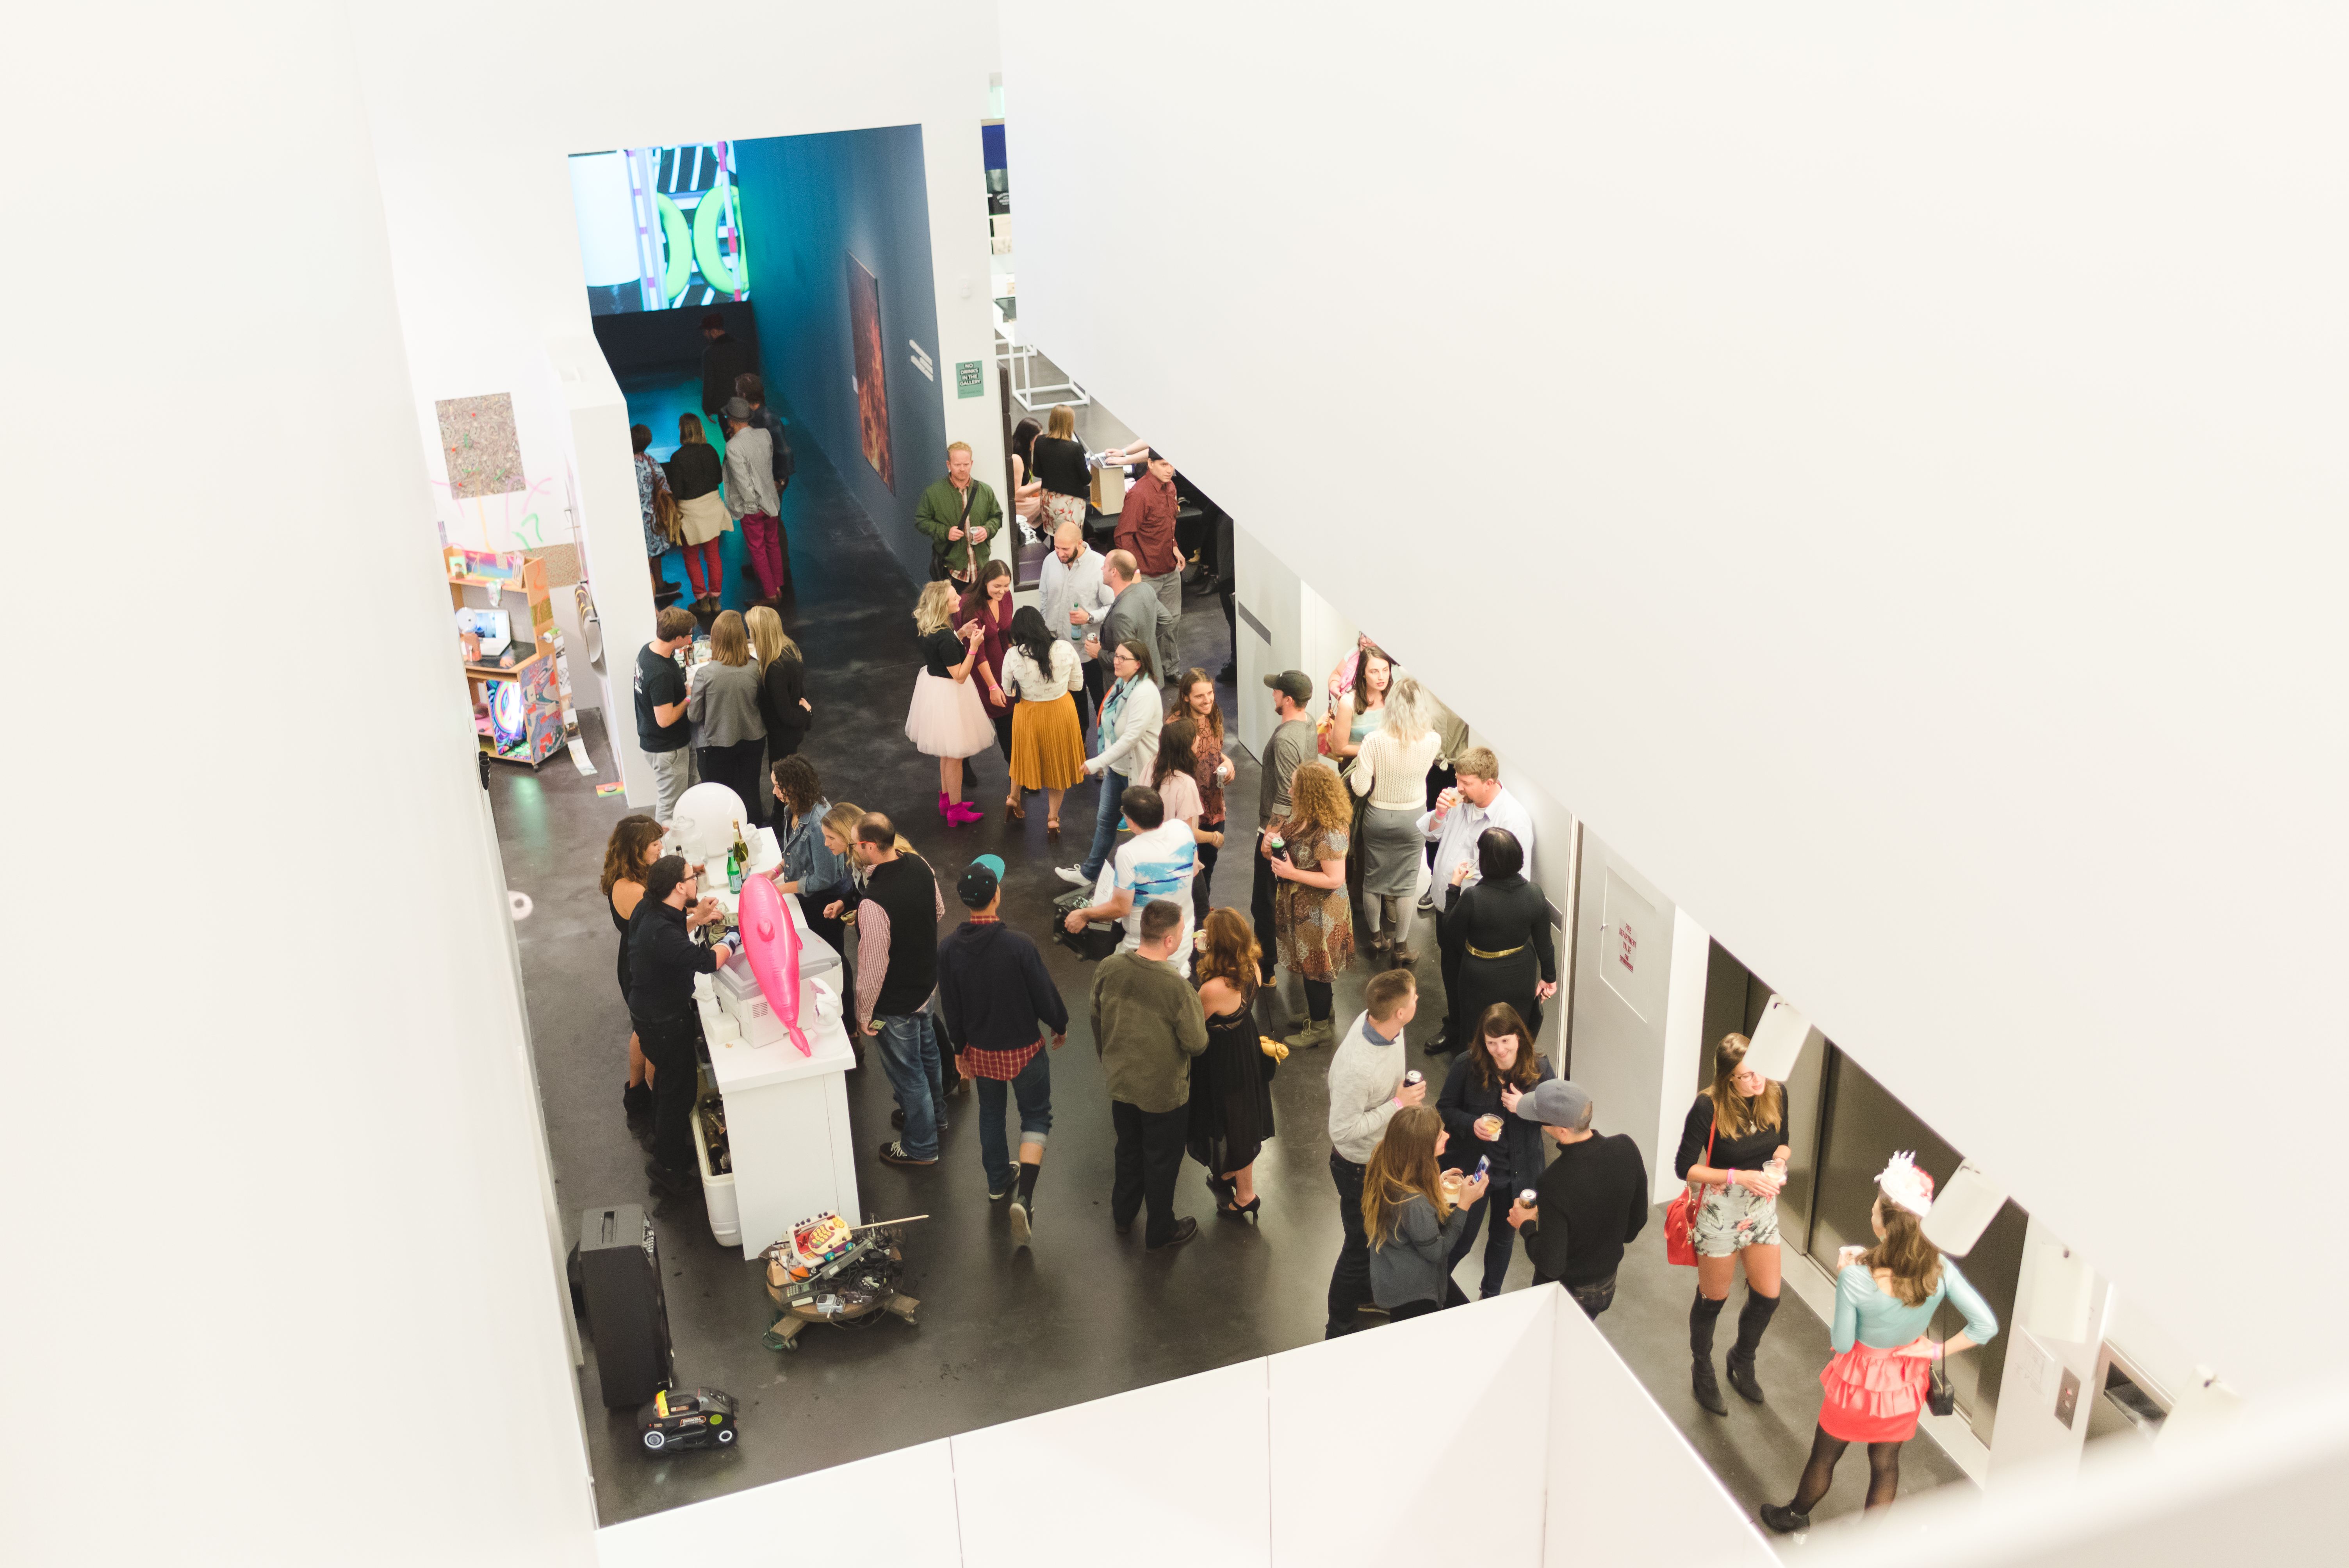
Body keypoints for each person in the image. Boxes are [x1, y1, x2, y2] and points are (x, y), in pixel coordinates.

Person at [1760, 1156, 2000, 1533]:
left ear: (1886, 1227)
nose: (1872, 1210)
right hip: (1904, 1383)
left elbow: (1842, 1342)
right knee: (1886, 1464)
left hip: (1855, 1384)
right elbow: (1985, 1326)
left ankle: (1794, 1516)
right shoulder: (1941, 1269)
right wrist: (1934, 1350)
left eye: (1876, 1207)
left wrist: (1845, 1277)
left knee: (1825, 1457)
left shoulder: (1856, 1278)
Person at [936, 855, 1068, 1244]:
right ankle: (1024, 1197)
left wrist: (960, 1050)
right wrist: (1058, 1022)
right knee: (1035, 1117)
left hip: (981, 1051)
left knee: (991, 1114)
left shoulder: (948, 949)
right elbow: (1043, 994)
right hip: (1024, 1050)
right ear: (997, 896)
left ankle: (998, 1181)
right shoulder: (1019, 945)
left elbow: (952, 1006)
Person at [1676, 1032, 1795, 1416]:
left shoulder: (1775, 1091)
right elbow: (1685, 1167)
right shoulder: (1707, 1106)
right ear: (1728, 1078)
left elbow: (1784, 1141)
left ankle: (1741, 1359)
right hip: (1721, 1210)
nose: (1756, 1081)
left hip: (1761, 1208)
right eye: (1745, 1076)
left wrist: (1779, 1162)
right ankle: (1703, 1368)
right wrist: (1738, 1176)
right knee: (1714, 1298)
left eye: (1758, 1072)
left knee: (1768, 1296)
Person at [826, 814, 947, 1168]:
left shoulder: (874, 902)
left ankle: (921, 1146)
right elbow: (938, 910)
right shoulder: (921, 866)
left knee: (908, 1076)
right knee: (929, 1059)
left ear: (868, 847)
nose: (851, 851)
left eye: (853, 845)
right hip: (926, 985)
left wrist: (863, 1015)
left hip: (896, 1005)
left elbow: (873, 968)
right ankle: (936, 1118)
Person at [1090, 900, 1210, 1251]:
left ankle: (1123, 1215)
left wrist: (1109, 1059)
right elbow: (1197, 1043)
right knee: (1161, 1160)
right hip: (1164, 1095)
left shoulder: (1109, 968)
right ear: (1171, 941)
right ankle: (1160, 1230)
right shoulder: (1177, 988)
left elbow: (1096, 1019)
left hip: (1121, 1083)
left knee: (1127, 1149)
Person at [626, 855, 733, 1197]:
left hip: (650, 1014)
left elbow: (669, 939)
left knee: (671, 1088)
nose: (696, 880)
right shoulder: (661, 929)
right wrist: (733, 939)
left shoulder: (650, 908)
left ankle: (666, 1148)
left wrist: (696, 917)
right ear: (679, 887)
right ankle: (667, 1169)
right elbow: (708, 962)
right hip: (664, 1021)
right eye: (692, 876)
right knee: (679, 1091)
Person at [1434, 1002, 1558, 1299]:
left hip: (1519, 1172)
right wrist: (1471, 1123)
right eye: (1492, 1043)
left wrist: (1525, 1106)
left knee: (1503, 1239)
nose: (1500, 1050)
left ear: (1519, 1037)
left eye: (1505, 1041)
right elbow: (1445, 1108)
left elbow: (1557, 1114)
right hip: (1476, 1171)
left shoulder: (1540, 1068)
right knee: (1461, 1238)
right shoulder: (1467, 1066)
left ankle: (1490, 1296)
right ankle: (1430, 1288)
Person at [1420, 749, 1538, 1053]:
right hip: (1448, 908)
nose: (1458, 787)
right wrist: (1440, 813)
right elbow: (1431, 836)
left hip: (1479, 917)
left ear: (1490, 782)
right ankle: (1455, 1028)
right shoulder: (1461, 801)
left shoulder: (1513, 819)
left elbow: (1512, 878)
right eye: (1458, 780)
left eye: (1466, 782)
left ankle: (1475, 1045)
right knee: (1450, 971)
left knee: (1472, 986)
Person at [1324, 969, 1421, 1336]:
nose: (1417, 1002)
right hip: (1357, 1168)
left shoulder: (1389, 1027)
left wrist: (1400, 1096)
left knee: (1373, 1240)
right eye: (1413, 999)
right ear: (1399, 1012)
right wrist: (1399, 1103)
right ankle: (1339, 1325)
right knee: (1358, 1247)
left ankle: (1366, 1295)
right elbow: (1343, 1130)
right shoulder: (1357, 1067)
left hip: (1380, 1155)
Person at [1504, 1079, 1651, 1319]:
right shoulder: (1626, 1147)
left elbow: (1552, 1266)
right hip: (1607, 1283)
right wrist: (1604, 1246)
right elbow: (1638, 1221)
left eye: (1541, 1119)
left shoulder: (1554, 1182)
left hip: (1569, 1291)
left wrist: (1526, 1225)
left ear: (1562, 1130)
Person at [1188, 908, 1275, 1219]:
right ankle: (1229, 1176)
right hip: (1245, 1044)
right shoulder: (1252, 965)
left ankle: (1246, 1195)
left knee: (1235, 1121)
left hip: (1222, 1057)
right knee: (1241, 1114)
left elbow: (1194, 1027)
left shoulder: (1212, 989)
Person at [1058, 638, 1163, 889]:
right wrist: (1106, 764)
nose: (1116, 661)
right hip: (1117, 769)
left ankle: (1148, 881)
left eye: (1122, 658)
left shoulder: (1145, 693)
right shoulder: (1121, 685)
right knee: (1105, 822)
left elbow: (1130, 738)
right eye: (1116, 656)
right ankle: (1089, 874)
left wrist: (1097, 762)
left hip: (1139, 774)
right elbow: (1109, 725)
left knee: (1145, 830)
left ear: (1138, 664)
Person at [1351, 674, 1441, 964]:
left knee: (1372, 881)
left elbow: (1361, 787)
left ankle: (1377, 938)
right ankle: (1401, 948)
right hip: (1413, 818)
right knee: (1406, 885)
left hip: (1378, 817)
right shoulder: (1432, 740)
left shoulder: (1373, 741)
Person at [1436, 827, 1557, 1043]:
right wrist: (1550, 978)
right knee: (1513, 1034)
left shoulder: (1474, 897)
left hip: (1479, 976)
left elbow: (1450, 929)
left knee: (1478, 1036)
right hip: (1521, 975)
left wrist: (1454, 887)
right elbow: (1544, 944)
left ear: (1486, 861)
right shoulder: (1535, 893)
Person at [1365, 1104, 1485, 1320]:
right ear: (1422, 1149)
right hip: (1412, 1294)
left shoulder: (1385, 1162)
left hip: (1392, 1276)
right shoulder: (1414, 1203)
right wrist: (1465, 1205)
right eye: (1440, 1136)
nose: (1447, 1135)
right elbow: (1437, 1252)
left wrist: (1434, 1184)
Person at [1063, 782, 1197, 969]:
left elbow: (1121, 908)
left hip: (1144, 949)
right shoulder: (1182, 829)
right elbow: (1195, 869)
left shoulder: (1128, 853)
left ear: (1130, 821)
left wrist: (1084, 914)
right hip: (1182, 943)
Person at [1269, 759, 1353, 1052]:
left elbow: (1334, 879)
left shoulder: (1330, 830)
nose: (1290, 790)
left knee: (1316, 968)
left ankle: (1319, 1029)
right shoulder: (1306, 815)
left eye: (1295, 786)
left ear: (1311, 793)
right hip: (1304, 905)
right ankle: (1322, 1013)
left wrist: (1291, 873)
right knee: (1312, 968)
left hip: (1320, 912)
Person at [905, 580, 995, 825]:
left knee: (947, 753)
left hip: (936, 691)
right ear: (943, 605)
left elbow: (944, 647)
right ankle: (955, 809)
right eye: (955, 597)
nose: (960, 600)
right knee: (954, 756)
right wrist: (974, 647)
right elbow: (960, 675)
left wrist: (961, 634)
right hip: (950, 694)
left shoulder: (935, 630)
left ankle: (947, 799)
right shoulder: (944, 637)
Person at [1251, 671, 1319, 990]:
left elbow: (1283, 796)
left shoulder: (1284, 739)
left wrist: (1270, 837)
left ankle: (1267, 969)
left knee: (1263, 902)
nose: (1273, 697)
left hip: (1281, 830)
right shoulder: (1310, 723)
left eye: (1276, 692)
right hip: (1304, 826)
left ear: (1288, 700)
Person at [600, 814, 668, 1128]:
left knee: (642, 1032)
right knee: (656, 1041)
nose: (660, 848)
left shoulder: (629, 875)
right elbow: (665, 927)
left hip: (633, 961)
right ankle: (658, 1103)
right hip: (642, 971)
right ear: (637, 850)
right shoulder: (631, 890)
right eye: (655, 844)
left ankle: (637, 1095)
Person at [1002, 604, 1085, 837]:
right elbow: (1077, 685)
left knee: (1022, 757)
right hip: (1061, 711)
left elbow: (1008, 692)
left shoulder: (1012, 654)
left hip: (1028, 713)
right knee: (1057, 766)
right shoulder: (1066, 648)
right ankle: (1052, 820)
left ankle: (1013, 799)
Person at [686, 609, 765, 823]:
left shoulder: (705, 674)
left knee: (720, 797)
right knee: (750, 790)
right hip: (754, 739)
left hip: (716, 746)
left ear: (716, 639)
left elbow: (694, 716)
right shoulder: (756, 668)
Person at [1039, 521, 1114, 741]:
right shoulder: (1050, 561)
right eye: (1057, 547)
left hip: (1089, 651)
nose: (1059, 554)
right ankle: (1078, 752)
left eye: (1065, 549)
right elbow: (1044, 597)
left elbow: (1112, 606)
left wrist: (1089, 617)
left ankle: (1104, 755)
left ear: (1080, 544)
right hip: (1059, 649)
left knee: (1102, 703)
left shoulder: (1100, 565)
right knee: (1073, 705)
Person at [1113, 447, 1182, 683]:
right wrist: (1135, 572)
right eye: (1163, 464)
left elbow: (1169, 523)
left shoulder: (1171, 488)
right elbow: (1124, 535)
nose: (1169, 469)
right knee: (1148, 626)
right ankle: (1149, 671)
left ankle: (1170, 667)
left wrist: (1175, 546)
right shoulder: (1139, 494)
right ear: (1150, 464)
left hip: (1169, 567)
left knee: (1171, 621)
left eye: (1172, 465)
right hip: (1148, 573)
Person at [1175, 670, 1237, 923]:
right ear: (1186, 697)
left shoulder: (1214, 716)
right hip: (1187, 815)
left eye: (1210, 693)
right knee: (1186, 874)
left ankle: (1201, 913)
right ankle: (1189, 920)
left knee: (1207, 869)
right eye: (1199, 696)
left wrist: (1227, 761)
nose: (1207, 700)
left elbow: (1215, 750)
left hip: (1214, 809)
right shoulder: (1177, 727)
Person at [633, 606, 699, 822]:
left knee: (689, 794)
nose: (691, 639)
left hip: (670, 745)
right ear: (678, 637)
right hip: (668, 749)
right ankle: (664, 851)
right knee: (670, 807)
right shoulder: (660, 673)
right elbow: (665, 719)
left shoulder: (648, 650)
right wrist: (689, 698)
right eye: (689, 635)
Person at [745, 606, 809, 822]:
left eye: (751, 629)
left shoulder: (775, 669)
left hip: (783, 735)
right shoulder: (790, 650)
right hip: (787, 733)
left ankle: (781, 822)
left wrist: (805, 712)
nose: (749, 633)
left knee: (781, 782)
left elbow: (786, 715)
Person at [953, 558, 1017, 772]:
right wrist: (992, 686)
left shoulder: (1006, 597)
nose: (1003, 591)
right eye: (997, 586)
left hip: (1002, 665)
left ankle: (1017, 774)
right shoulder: (970, 605)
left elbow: (1007, 631)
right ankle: (964, 763)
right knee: (972, 718)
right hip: (977, 669)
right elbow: (977, 652)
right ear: (985, 582)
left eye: (1006, 586)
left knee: (1008, 722)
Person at [720, 396, 785, 601]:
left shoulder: (733, 447)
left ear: (731, 420)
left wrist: (750, 507)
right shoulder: (764, 434)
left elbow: (743, 482)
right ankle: (778, 588)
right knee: (773, 544)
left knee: (758, 551)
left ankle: (770, 594)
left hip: (753, 508)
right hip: (772, 501)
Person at [913, 440, 1001, 589]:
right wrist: (946, 532)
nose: (962, 469)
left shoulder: (986, 491)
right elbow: (921, 521)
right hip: (953, 571)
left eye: (966, 465)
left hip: (981, 569)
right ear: (948, 465)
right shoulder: (933, 493)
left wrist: (987, 530)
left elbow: (997, 518)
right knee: (957, 611)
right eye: (957, 465)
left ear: (972, 464)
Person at [662, 412, 729, 608]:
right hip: (713, 508)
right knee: (713, 555)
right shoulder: (710, 450)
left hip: (690, 514)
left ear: (682, 431)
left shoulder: (677, 457)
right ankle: (715, 599)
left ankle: (701, 601)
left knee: (691, 556)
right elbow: (718, 479)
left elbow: (679, 491)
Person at [1086, 549, 1166, 698]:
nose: (1102, 569)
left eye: (1105, 566)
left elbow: (1124, 660)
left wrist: (1099, 653)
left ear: (1114, 572)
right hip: (1152, 680)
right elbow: (1166, 620)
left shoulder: (1121, 615)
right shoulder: (1146, 589)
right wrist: (1147, 644)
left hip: (1129, 691)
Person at [1030, 404, 1090, 538]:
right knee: (1070, 540)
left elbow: (1037, 472)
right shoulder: (1075, 448)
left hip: (1049, 500)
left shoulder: (1040, 441)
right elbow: (1087, 479)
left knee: (1055, 539)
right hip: (1069, 504)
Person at [632, 424, 677, 599]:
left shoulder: (624, 464)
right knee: (652, 556)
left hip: (634, 520)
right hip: (651, 519)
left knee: (643, 563)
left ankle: (648, 599)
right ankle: (658, 587)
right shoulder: (650, 461)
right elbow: (665, 486)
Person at [733, 371, 796, 494]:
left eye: (738, 394)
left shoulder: (769, 421)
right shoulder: (748, 418)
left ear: (744, 396)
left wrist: (780, 482)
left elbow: (784, 452)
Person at [698, 310, 753, 424]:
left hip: (724, 408)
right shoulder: (743, 347)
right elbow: (754, 375)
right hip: (745, 403)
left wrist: (707, 409)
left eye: (706, 331)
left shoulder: (709, 353)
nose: (705, 334)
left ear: (713, 331)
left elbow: (709, 383)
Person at [1006, 414, 1044, 535]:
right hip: (1015, 506)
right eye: (1039, 439)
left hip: (1019, 503)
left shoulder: (1022, 452)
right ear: (1029, 439)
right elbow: (1016, 494)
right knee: (1049, 503)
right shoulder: (1016, 459)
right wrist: (1043, 484)